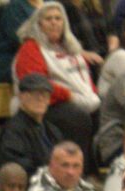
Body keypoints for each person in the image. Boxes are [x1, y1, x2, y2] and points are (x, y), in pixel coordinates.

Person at [12, 2, 100, 172]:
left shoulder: (71, 47)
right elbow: (35, 82)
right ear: (39, 24)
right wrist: (69, 95)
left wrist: (92, 95)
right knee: (77, 118)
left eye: (58, 18)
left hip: (75, 99)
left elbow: (84, 78)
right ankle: (77, 172)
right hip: (46, 103)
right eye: (48, 19)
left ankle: (94, 168)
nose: (54, 22)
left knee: (99, 114)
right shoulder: (30, 48)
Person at [0, 72, 64, 175]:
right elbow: (15, 166)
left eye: (45, 95)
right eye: (35, 94)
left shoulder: (53, 130)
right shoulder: (13, 130)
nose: (40, 99)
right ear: (21, 97)